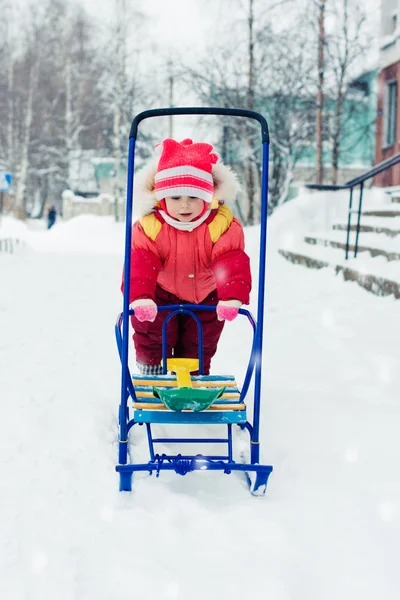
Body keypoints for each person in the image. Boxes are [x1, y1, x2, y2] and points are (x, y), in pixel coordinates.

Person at [123, 138, 252, 375]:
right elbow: (140, 262)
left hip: (206, 296)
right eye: (175, 198)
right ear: (161, 198)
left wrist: (231, 296)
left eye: (193, 197)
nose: (185, 205)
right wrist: (141, 297)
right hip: (160, 294)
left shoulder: (221, 224)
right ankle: (152, 373)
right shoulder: (150, 226)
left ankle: (193, 380)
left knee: (199, 342)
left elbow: (230, 260)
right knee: (153, 334)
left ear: (207, 197)